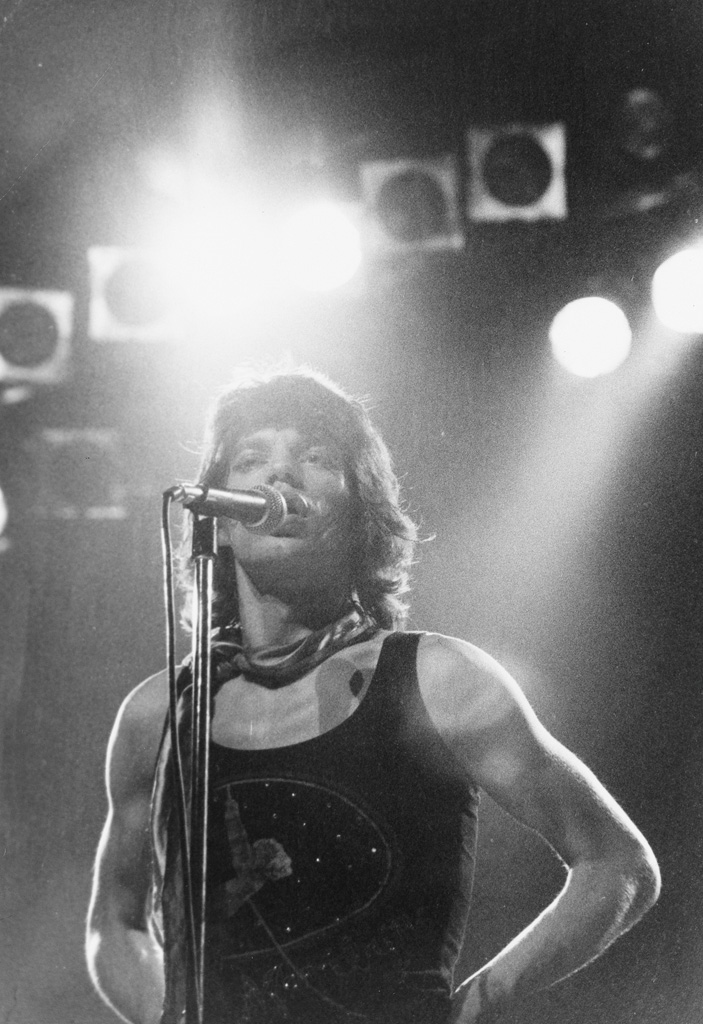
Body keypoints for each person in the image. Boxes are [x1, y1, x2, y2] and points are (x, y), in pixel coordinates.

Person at [86, 368, 660, 1024]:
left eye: (314, 457)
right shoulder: (160, 713)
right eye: (250, 459)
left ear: (360, 509)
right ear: (217, 515)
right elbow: (115, 923)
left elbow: (615, 862)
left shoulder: (437, 680)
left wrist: (469, 1013)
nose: (280, 475)